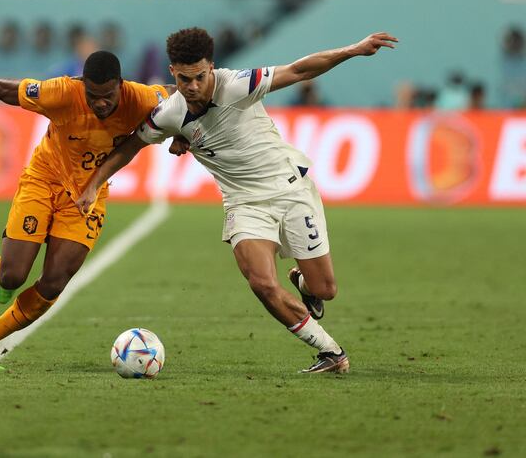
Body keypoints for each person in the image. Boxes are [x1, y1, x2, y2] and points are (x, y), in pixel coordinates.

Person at [77, 27, 397, 374]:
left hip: (291, 189)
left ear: (211, 67)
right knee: (260, 281)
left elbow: (299, 70)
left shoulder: (238, 85)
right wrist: (94, 183)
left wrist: (353, 49)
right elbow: (130, 147)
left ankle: (304, 283)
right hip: (244, 204)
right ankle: (331, 352)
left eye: (200, 77)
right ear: (173, 73)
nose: (193, 86)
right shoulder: (170, 114)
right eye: (184, 79)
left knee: (325, 288)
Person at [0, 51, 171, 372]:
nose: (100, 103)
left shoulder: (144, 98)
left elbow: (180, 100)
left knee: (54, 282)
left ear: (121, 84)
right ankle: (7, 265)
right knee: (13, 276)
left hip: (87, 196)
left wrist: (184, 138)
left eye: (107, 96)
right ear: (82, 84)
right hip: (44, 180)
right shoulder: (61, 92)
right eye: (92, 95)